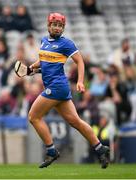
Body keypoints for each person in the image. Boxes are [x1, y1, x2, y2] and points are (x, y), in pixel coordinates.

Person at [26, 12, 109, 169]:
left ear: (63, 28)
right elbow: (44, 61)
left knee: (33, 116)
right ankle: (100, 148)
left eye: (60, 26)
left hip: (57, 87)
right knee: (75, 121)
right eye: (54, 25)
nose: (57, 28)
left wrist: (79, 81)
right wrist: (32, 68)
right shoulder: (44, 41)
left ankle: (51, 151)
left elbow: (80, 62)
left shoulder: (66, 44)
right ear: (48, 26)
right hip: (58, 89)